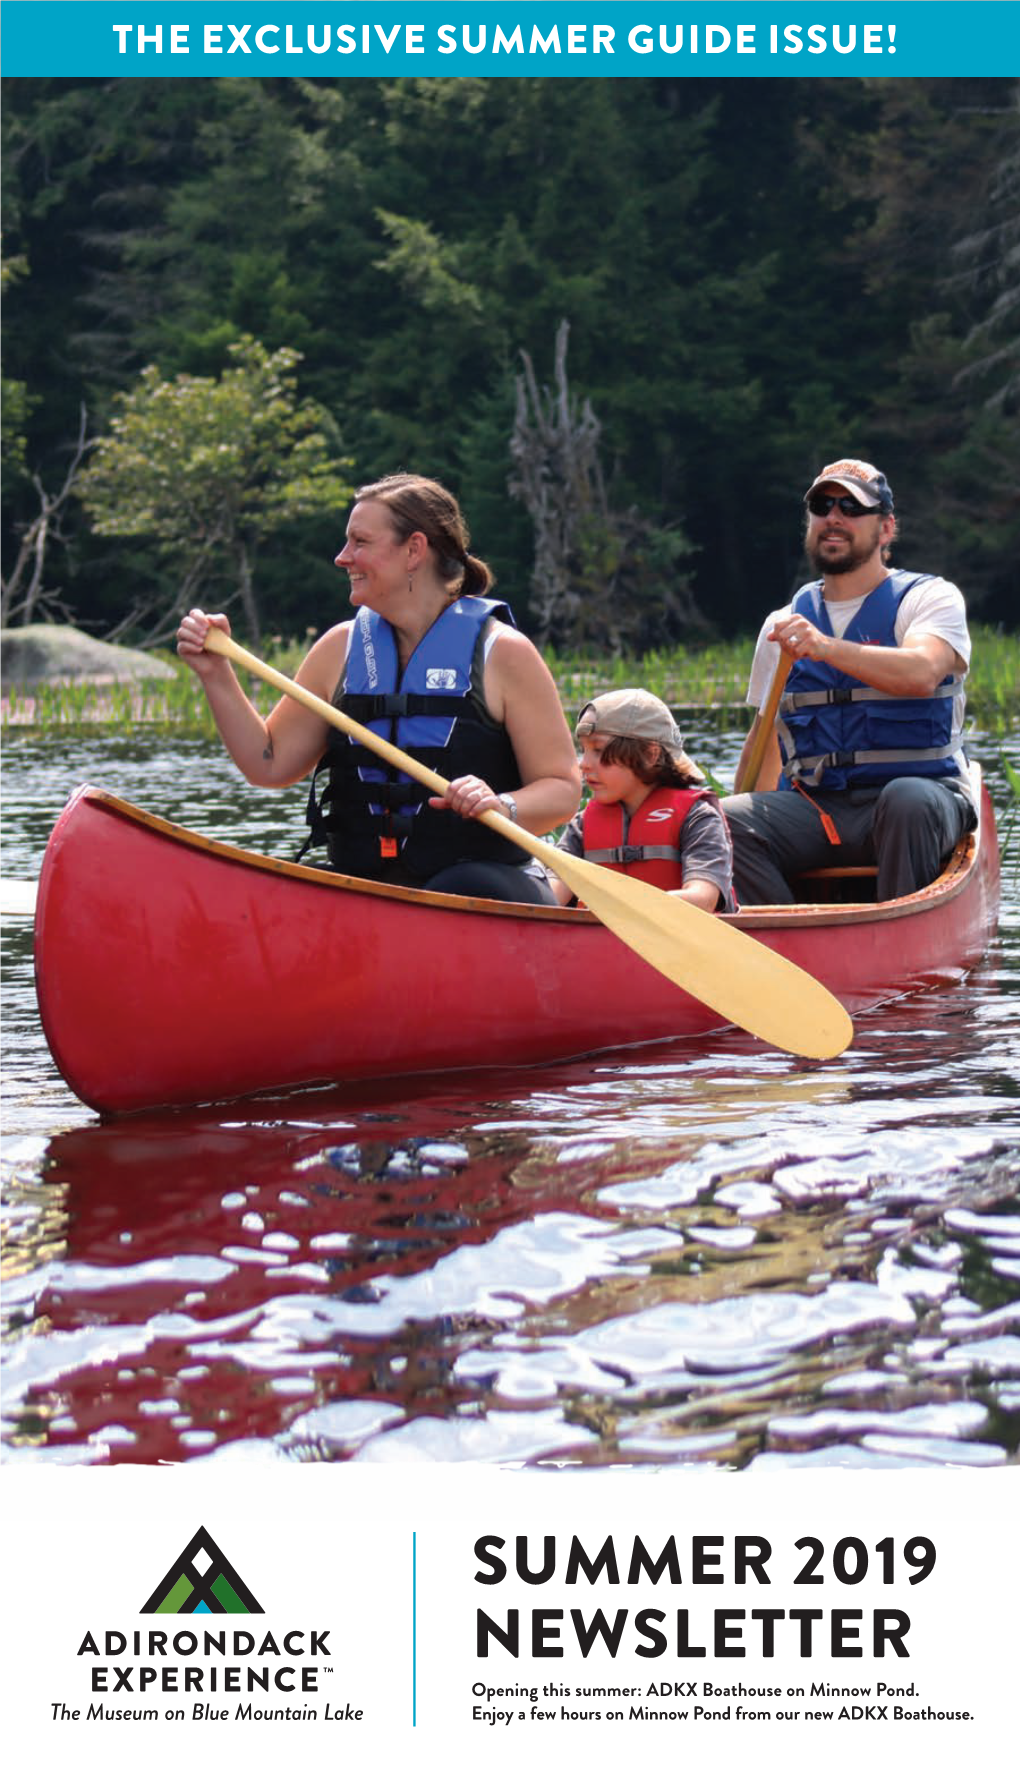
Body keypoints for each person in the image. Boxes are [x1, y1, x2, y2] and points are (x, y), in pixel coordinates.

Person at [176, 473, 580, 902]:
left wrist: (503, 805)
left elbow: (562, 790)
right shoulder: (338, 648)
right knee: (312, 889)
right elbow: (269, 764)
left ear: (414, 550)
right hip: (364, 884)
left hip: (482, 885)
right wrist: (215, 673)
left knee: (456, 888)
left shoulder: (503, 652)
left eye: (359, 542)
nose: (341, 557)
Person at [723, 458, 976, 906]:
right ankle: (788, 939)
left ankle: (902, 942)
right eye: (823, 506)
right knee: (725, 821)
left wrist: (825, 647)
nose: (834, 518)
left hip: (923, 799)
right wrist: (720, 827)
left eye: (852, 508)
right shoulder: (782, 626)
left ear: (886, 529)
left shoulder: (929, 599)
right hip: (821, 810)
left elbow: (921, 672)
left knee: (906, 800)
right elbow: (765, 747)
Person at [548, 688, 736, 912]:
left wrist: (621, 907)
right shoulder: (583, 826)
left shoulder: (698, 818)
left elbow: (703, 899)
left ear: (650, 755)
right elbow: (550, 898)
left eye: (597, 750)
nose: (584, 764)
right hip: (604, 939)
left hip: (678, 940)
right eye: (584, 750)